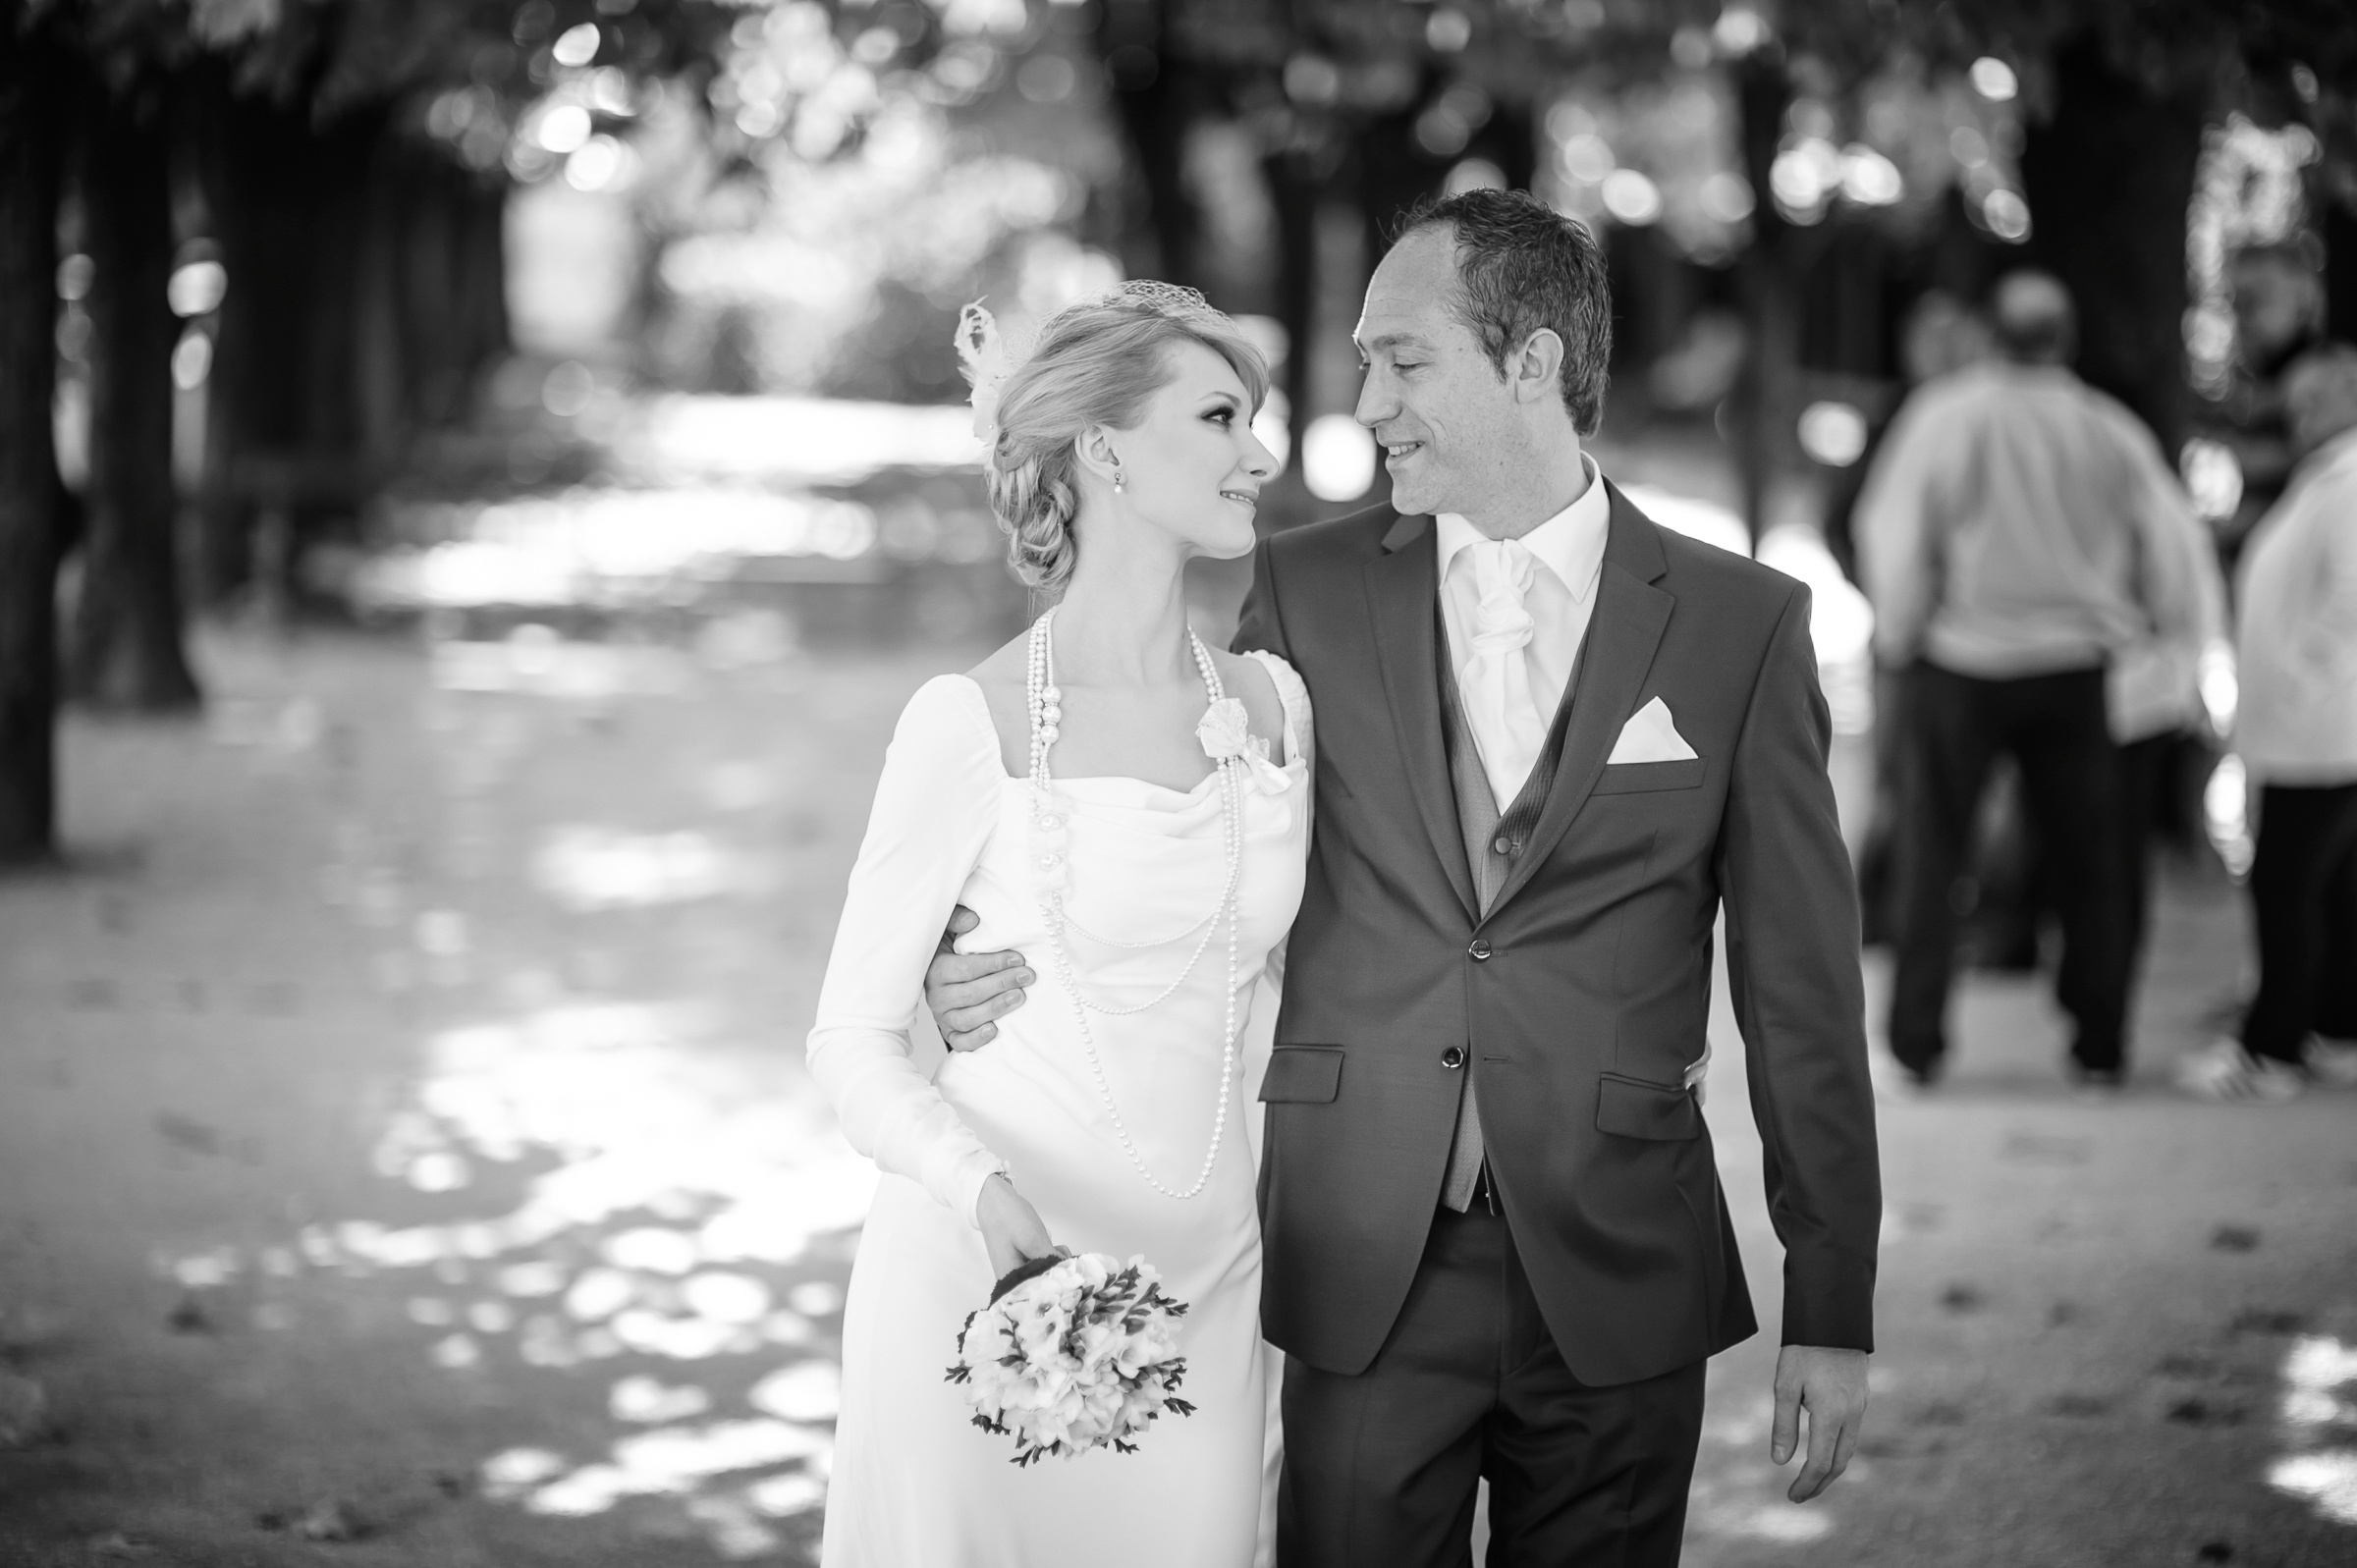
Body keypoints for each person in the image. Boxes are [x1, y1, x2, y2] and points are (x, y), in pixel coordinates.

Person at [927, 189, 1879, 1567]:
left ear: (1534, 363)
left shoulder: (1741, 627)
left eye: (1405, 359)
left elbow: (1801, 993)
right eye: (1365, 360)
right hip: (1365, 1256)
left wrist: (1832, 1299)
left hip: (1622, 1267)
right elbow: (1199, 857)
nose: (1365, 402)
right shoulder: (1308, 596)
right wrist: (986, 946)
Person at [806, 283, 1298, 1565]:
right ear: (1105, 449)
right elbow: (849, 1043)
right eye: (1221, 415)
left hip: (1209, 1288)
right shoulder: (963, 727)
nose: (1262, 451)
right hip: (995, 1277)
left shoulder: (1281, 708)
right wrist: (983, 1194)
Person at [1855, 270, 2214, 1088]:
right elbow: (2172, 546)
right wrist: (2166, 635)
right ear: (2066, 338)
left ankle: (1915, 1041)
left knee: (1934, 848)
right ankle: (2100, 1042)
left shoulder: (1946, 417)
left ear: (1993, 333)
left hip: (1963, 660)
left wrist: (1903, 632)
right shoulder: (2108, 429)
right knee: (2093, 860)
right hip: (2078, 667)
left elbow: (1897, 533)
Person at [2177, 346, 2357, 1102]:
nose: (2302, 410)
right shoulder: (2326, 478)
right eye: (2299, 397)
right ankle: (2334, 1028)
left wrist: (2300, 675)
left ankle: (2272, 1046)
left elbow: (2348, 602)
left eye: (2320, 396)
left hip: (2319, 727)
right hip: (2309, 726)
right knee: (2333, 889)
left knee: (2285, 888)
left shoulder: (2347, 484)